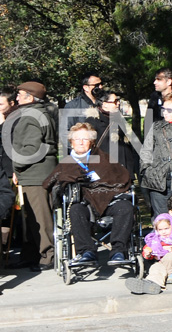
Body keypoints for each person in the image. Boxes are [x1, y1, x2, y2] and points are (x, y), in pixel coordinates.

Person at [42, 122, 134, 267]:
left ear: (91, 142)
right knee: (75, 210)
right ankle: (87, 251)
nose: (80, 142)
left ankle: (118, 251)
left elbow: (122, 178)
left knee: (125, 207)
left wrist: (101, 185)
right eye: (77, 138)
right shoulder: (65, 164)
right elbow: (51, 184)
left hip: (108, 200)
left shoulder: (105, 158)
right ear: (71, 142)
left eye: (85, 139)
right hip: (82, 203)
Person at [8, 81, 58, 271]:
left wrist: (17, 165)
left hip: (36, 174)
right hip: (32, 173)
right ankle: (31, 255)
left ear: (30, 97)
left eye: (20, 94)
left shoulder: (31, 116)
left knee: (40, 218)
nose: (17, 97)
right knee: (30, 219)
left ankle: (48, 255)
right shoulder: (34, 113)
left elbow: (31, 148)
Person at [86, 91, 138, 179]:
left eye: (118, 101)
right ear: (104, 104)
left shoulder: (119, 119)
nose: (118, 103)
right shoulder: (92, 122)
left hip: (123, 169)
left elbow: (125, 146)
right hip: (104, 171)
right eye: (115, 101)